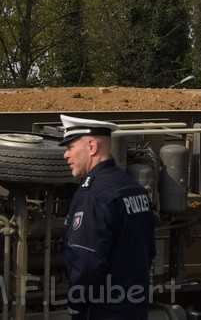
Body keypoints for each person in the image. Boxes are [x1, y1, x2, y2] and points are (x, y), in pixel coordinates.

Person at [59, 115, 155, 320]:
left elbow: (86, 263)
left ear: (91, 146)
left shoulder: (92, 196)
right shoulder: (134, 188)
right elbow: (149, 251)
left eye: (70, 147)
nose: (66, 155)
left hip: (102, 310)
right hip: (134, 307)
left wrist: (77, 305)